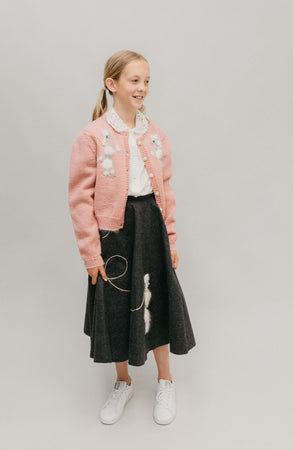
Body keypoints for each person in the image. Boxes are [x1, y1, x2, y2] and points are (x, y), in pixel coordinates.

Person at [68, 49, 196, 425]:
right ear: (112, 84)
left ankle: (165, 380)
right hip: (113, 232)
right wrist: (91, 254)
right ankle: (123, 382)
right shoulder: (92, 137)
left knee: (157, 300)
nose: (142, 88)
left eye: (147, 81)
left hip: (151, 225)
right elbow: (79, 199)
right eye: (134, 80)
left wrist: (170, 239)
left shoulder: (155, 136)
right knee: (117, 303)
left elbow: (166, 192)